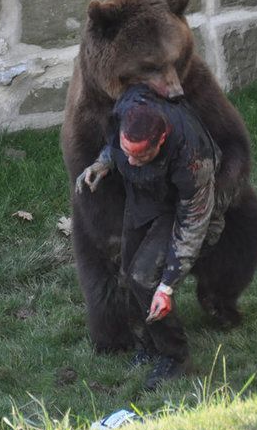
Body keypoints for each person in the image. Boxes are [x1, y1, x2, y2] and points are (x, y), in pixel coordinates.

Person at [76, 84, 222, 390]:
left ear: (162, 140)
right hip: (144, 197)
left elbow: (193, 226)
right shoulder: (128, 109)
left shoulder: (193, 159)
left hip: (179, 209)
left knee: (147, 279)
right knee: (128, 273)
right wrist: (104, 163)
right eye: (127, 153)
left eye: (139, 156)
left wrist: (167, 286)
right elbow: (115, 144)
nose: (129, 162)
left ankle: (174, 354)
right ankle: (148, 345)